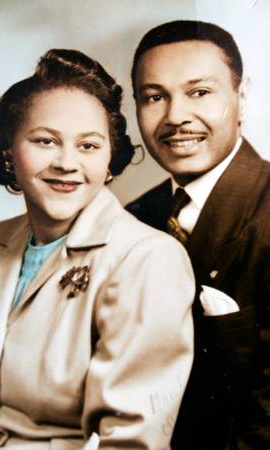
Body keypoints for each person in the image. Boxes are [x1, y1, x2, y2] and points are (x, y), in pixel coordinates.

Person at [0, 48, 194, 450]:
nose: (67, 162)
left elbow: (129, 442)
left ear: (110, 160)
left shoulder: (146, 258)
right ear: (8, 151)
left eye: (89, 146)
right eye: (45, 141)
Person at [127, 20, 270, 450]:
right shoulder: (134, 217)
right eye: (154, 97)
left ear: (241, 98)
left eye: (200, 93)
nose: (175, 117)